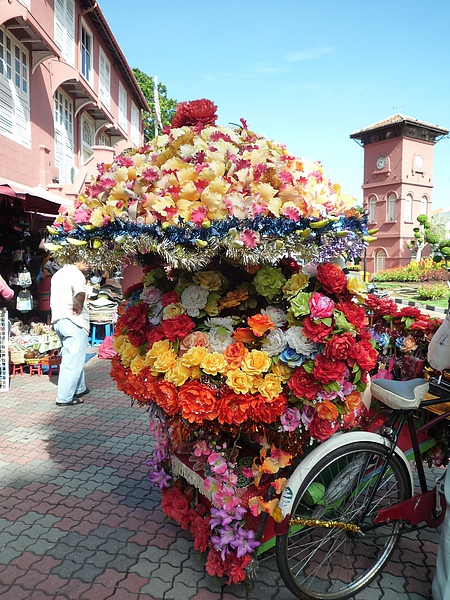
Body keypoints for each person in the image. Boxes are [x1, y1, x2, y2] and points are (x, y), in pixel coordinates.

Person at [50, 260, 90, 406]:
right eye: (85, 260)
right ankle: (64, 397)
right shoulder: (77, 274)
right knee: (72, 361)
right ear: (75, 259)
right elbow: (79, 293)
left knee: (74, 356)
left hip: (59, 320)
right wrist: (78, 306)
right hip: (73, 321)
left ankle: (80, 388)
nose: (88, 264)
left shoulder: (58, 274)